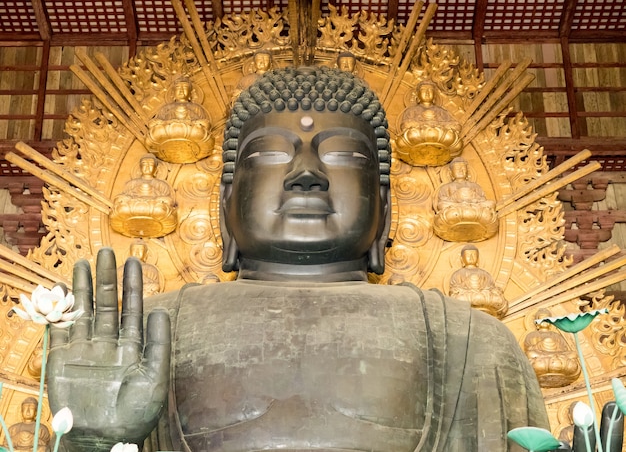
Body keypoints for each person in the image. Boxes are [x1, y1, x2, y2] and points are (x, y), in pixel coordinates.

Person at [47, 66, 548, 452]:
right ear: (225, 206)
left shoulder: (473, 343)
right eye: (269, 155)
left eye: (343, 156)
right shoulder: (143, 335)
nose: (305, 174)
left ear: (385, 208)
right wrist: (89, 438)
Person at [109, 153, 178, 238]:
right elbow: (121, 198)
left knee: (162, 207)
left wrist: (155, 193)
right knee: (122, 204)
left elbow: (169, 201)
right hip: (134, 207)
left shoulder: (161, 185)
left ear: (156, 169)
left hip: (154, 207)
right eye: (144, 164)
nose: (147, 167)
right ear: (140, 168)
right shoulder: (132, 184)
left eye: (150, 164)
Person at [147, 76, 213, 163]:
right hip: (169, 135)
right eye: (178, 88)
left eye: (185, 88)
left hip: (192, 135)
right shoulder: (166, 108)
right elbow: (153, 124)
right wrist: (159, 122)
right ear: (173, 93)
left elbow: (206, 125)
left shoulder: (196, 108)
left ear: (190, 93)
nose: (181, 90)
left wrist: (197, 122)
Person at [396, 81, 462, 166]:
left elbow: (457, 126)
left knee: (451, 136)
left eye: (430, 90)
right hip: (417, 139)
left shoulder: (441, 112)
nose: (427, 93)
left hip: (439, 141)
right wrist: (422, 124)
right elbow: (405, 126)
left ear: (434, 95)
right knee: (411, 134)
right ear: (417, 95)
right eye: (423, 90)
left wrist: (436, 124)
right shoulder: (411, 111)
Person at [433, 156, 498, 241]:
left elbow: (483, 200)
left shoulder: (475, 186)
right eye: (457, 168)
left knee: (491, 203)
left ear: (467, 171)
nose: (461, 170)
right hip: (455, 208)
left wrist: (473, 199)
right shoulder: (446, 187)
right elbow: (442, 202)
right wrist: (456, 197)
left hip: (473, 207)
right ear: (450, 173)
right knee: (442, 205)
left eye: (463, 168)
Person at [448, 244, 508, 319]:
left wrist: (489, 292)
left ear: (478, 259)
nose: (471, 257)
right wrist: (468, 292)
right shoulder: (457, 274)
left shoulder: (485, 274)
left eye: (474, 255)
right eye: (468, 255)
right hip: (467, 297)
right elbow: (454, 291)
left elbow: (490, 288)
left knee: (497, 299)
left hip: (484, 297)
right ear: (462, 259)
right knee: (459, 299)